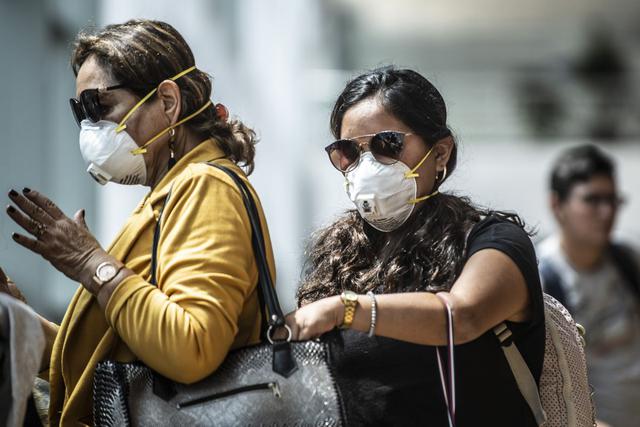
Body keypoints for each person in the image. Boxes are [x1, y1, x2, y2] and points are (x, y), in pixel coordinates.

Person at [0, 19, 275, 426]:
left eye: (99, 106)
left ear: (167, 102)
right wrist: (21, 324)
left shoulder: (205, 186)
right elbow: (130, 361)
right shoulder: (169, 194)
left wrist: (91, 262)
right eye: (81, 113)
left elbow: (190, 348)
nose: (90, 128)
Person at [284, 67, 545, 426]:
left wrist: (345, 310)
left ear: (440, 153)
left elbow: (462, 316)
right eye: (349, 152)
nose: (367, 166)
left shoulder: (493, 241)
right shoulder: (337, 254)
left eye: (387, 144)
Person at [538, 144, 640, 427]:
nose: (606, 212)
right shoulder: (542, 279)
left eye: (612, 200)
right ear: (557, 205)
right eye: (593, 200)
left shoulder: (627, 258)